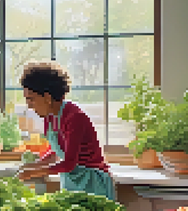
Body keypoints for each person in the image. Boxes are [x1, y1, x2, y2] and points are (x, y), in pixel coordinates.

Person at [17, 62, 115, 200]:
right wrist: (31, 165)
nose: (28, 105)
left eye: (31, 99)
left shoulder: (75, 117)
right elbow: (55, 154)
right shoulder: (49, 118)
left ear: (47, 97)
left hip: (92, 182)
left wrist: (35, 171)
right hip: (72, 181)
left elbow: (69, 163)